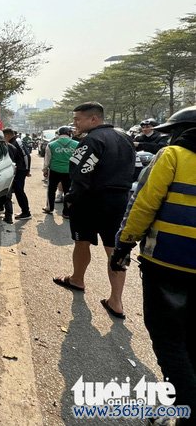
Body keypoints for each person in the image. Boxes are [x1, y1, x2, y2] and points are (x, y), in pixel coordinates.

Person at [111, 106, 196, 422]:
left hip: (169, 263)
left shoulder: (173, 155)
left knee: (168, 338)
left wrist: (124, 244)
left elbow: (144, 204)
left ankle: (185, 406)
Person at [53, 102, 135, 319]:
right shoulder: (126, 138)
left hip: (90, 201)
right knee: (115, 249)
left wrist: (71, 200)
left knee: (82, 242)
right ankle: (116, 301)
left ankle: (77, 279)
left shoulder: (91, 140)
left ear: (94, 119)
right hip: (119, 202)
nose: (75, 124)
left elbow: (81, 174)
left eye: (78, 119)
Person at [42, 126, 78, 217]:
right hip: (69, 172)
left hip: (54, 171)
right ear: (69, 133)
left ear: (58, 134)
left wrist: (45, 170)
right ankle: (66, 212)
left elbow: (47, 159)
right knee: (68, 192)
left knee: (51, 190)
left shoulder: (51, 144)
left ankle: (49, 208)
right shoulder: (77, 144)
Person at [2, 128, 31, 220]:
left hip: (20, 170)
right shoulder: (14, 141)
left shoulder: (17, 141)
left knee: (19, 191)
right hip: (18, 169)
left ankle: (26, 212)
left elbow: (27, 156)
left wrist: (27, 170)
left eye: (4, 137)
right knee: (16, 190)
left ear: (7, 135)